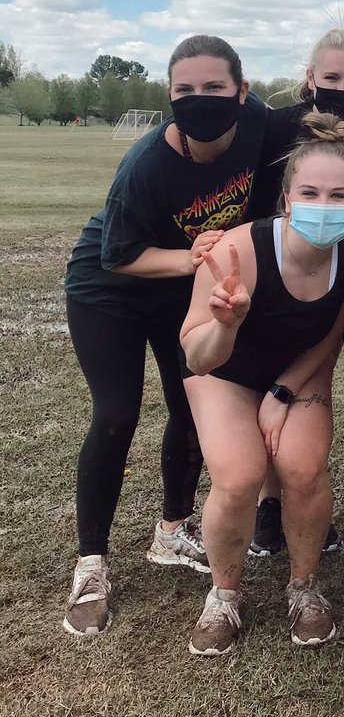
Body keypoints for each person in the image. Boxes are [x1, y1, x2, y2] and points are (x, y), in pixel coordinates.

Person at [62, 35, 268, 636]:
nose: (200, 100)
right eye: (185, 91)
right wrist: (189, 258)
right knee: (117, 413)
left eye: (214, 88)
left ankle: (172, 532)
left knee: (192, 406)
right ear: (169, 96)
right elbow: (117, 254)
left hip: (187, 288)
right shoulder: (147, 164)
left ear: (242, 91)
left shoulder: (257, 124)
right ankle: (91, 564)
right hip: (112, 290)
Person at [180, 115, 344, 656]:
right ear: (286, 199)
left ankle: (303, 585)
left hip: (297, 373)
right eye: (310, 192)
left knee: (304, 467)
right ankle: (224, 594)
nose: (324, 204)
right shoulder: (240, 252)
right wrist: (226, 323)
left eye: (339, 194)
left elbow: (332, 334)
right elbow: (195, 354)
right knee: (239, 476)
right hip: (224, 372)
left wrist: (282, 393)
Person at [247, 27, 344, 559]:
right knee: (275, 378)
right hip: (284, 272)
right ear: (310, 79)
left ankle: (303, 498)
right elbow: (258, 204)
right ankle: (270, 500)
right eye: (331, 76)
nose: (342, 86)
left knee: (316, 377)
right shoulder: (279, 128)